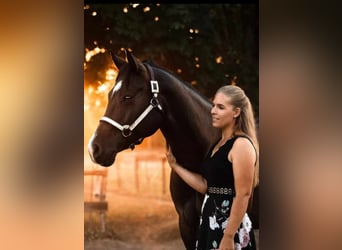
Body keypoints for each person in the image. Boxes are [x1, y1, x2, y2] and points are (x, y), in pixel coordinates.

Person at [166, 85, 259, 250]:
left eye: (221, 107)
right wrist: (175, 165)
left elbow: (243, 194)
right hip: (210, 223)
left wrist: (229, 235)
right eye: (214, 105)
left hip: (229, 227)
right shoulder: (218, 144)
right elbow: (207, 187)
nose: (213, 111)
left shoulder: (241, 145)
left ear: (236, 112)